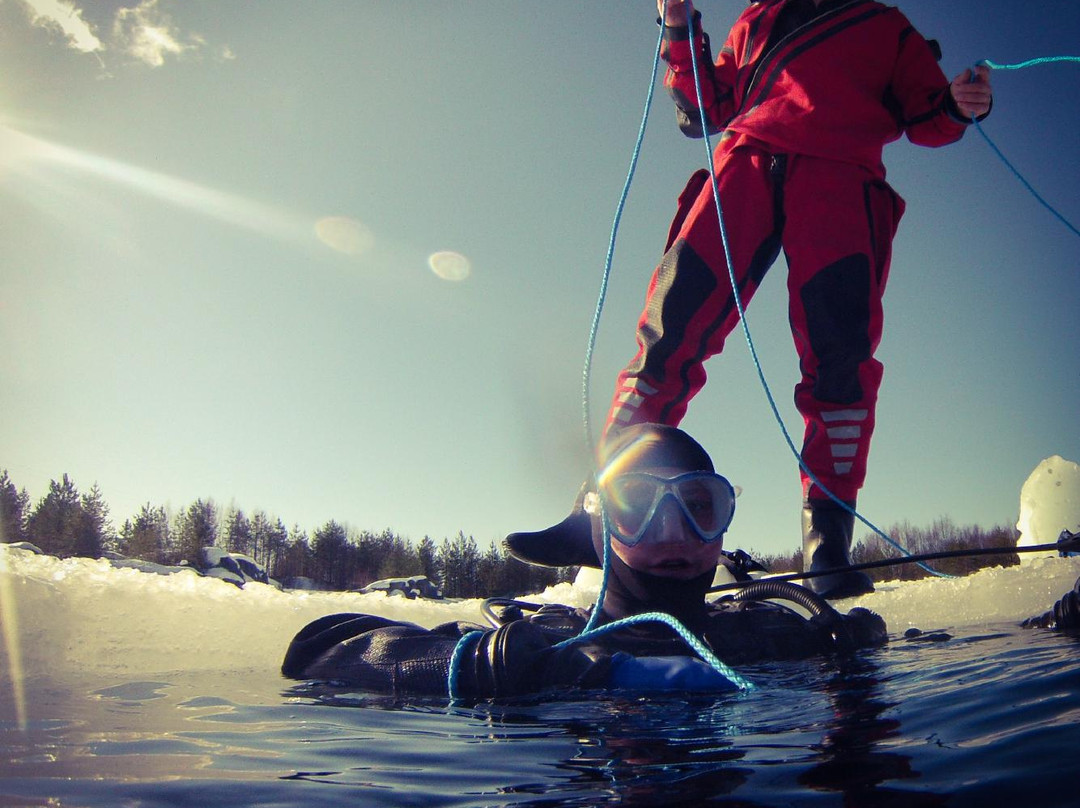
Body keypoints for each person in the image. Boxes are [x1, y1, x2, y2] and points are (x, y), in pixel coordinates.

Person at [506, 0, 994, 600]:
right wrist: (680, 27)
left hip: (840, 180)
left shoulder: (884, 25)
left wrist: (961, 103)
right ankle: (594, 517)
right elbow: (701, 111)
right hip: (741, 167)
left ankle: (827, 548)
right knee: (666, 342)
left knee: (839, 363)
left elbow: (928, 117)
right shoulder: (755, 19)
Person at [282, 424, 888, 699]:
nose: (676, 533)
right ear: (598, 535)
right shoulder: (551, 642)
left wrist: (854, 635)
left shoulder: (762, 632)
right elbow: (317, 644)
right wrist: (494, 666)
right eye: (640, 507)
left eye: (702, 507)